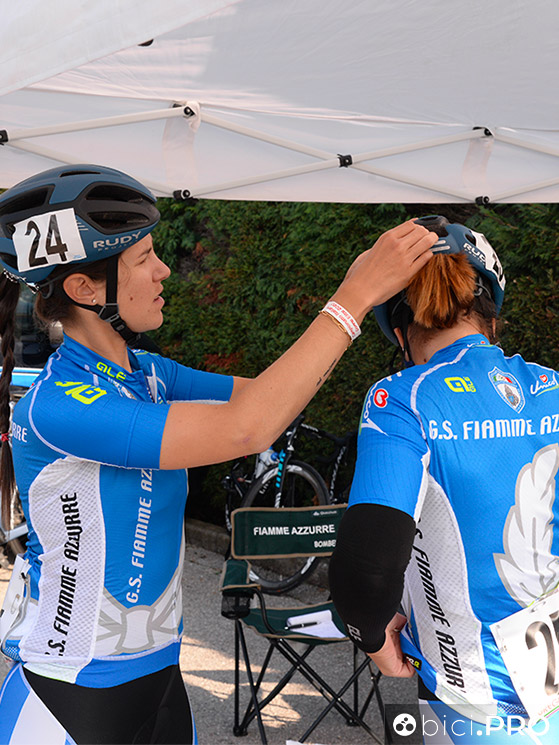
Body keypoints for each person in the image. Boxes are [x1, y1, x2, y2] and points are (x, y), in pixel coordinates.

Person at [0, 164, 436, 745]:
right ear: (84, 289)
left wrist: (375, 298)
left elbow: (269, 398)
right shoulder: (56, 404)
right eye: (143, 259)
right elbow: (249, 427)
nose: (163, 270)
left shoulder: (145, 373)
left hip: (159, 676)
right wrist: (352, 299)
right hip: (68, 695)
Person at [329, 214, 559, 744]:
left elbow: (364, 573)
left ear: (403, 331)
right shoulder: (550, 388)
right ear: (490, 317)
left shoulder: (401, 399)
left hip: (467, 705)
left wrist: (384, 656)